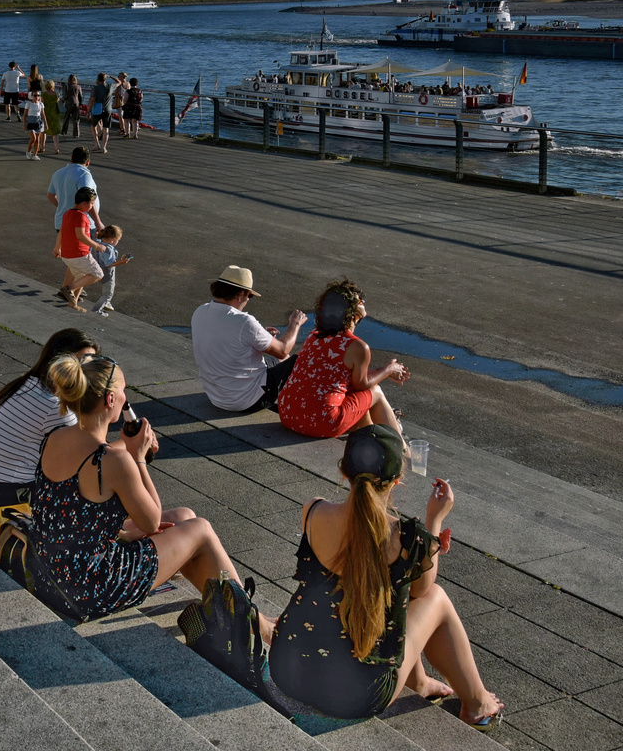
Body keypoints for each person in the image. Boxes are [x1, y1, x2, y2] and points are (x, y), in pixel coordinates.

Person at [268, 426, 502, 729]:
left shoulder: (313, 511)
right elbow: (422, 591)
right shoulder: (407, 539)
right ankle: (477, 704)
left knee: (389, 595)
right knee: (436, 599)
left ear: (344, 471)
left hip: (288, 669)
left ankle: (420, 682)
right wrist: (434, 522)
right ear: (397, 480)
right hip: (356, 695)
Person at [35, 354, 273, 626]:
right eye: (123, 391)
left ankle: (227, 609)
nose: (125, 398)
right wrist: (138, 457)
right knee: (201, 529)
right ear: (110, 400)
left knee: (184, 516)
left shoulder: (54, 437)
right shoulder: (113, 461)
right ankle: (255, 622)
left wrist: (123, 532)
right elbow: (151, 521)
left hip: (54, 573)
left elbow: (73, 510)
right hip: (91, 588)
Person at [0, 328, 99, 552]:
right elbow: (93, 458)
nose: (87, 372)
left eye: (92, 363)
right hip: (0, 504)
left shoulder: (26, 383)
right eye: (81, 362)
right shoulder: (55, 407)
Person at [278, 279, 405, 438]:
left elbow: (338, 378)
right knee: (376, 392)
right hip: (320, 423)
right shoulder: (357, 346)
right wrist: (388, 370)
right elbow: (361, 385)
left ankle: (373, 436)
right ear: (354, 313)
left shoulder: (314, 335)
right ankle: (402, 450)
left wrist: (381, 372)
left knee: (352, 398)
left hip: (288, 414)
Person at [191, 266, 307, 414]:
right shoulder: (244, 321)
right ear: (240, 294)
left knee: (278, 361)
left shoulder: (200, 311)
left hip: (216, 397)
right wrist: (294, 324)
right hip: (247, 401)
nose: (247, 300)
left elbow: (228, 337)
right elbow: (283, 350)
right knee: (300, 357)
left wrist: (261, 334)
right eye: (249, 296)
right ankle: (302, 408)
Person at [53, 187, 105, 311]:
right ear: (84, 204)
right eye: (92, 204)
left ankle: (73, 303)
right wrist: (96, 245)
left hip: (67, 255)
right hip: (79, 254)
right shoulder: (80, 216)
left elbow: (61, 232)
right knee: (97, 274)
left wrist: (57, 248)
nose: (92, 206)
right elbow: (80, 235)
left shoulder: (68, 213)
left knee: (81, 277)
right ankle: (67, 289)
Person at [46, 146, 103, 232]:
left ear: (71, 158)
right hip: (82, 224)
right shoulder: (84, 175)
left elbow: (50, 195)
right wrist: (98, 222)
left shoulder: (58, 173)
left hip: (61, 222)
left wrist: (62, 206)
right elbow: (87, 198)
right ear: (88, 162)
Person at [89, 225, 129, 316]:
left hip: (96, 268)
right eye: (118, 240)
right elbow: (109, 264)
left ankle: (106, 303)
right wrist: (121, 262)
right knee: (108, 293)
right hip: (107, 273)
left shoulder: (98, 242)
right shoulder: (109, 250)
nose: (117, 242)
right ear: (112, 239)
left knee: (106, 292)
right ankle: (96, 309)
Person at [89, 73, 112, 153]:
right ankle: (104, 147)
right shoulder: (110, 86)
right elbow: (119, 82)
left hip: (97, 109)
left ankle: (97, 144)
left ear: (98, 79)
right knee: (106, 129)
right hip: (107, 109)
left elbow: (92, 99)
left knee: (93, 126)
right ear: (105, 79)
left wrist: (89, 109)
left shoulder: (96, 88)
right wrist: (111, 76)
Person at [23, 89, 46, 159]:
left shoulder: (41, 104)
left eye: (38, 95)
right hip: (30, 122)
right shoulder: (28, 104)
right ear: (32, 96)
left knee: (37, 139)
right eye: (35, 95)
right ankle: (28, 151)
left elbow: (43, 114)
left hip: (38, 122)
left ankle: (35, 155)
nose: (37, 97)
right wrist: (24, 124)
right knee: (33, 138)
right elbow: (25, 115)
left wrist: (46, 123)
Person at [42, 79, 63, 154]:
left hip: (46, 114)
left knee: (44, 131)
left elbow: (42, 105)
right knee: (55, 133)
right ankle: (56, 148)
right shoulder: (56, 94)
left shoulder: (44, 95)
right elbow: (58, 102)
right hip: (54, 114)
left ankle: (42, 147)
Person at [62, 74, 82, 138]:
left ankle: (64, 131)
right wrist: (80, 104)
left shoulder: (67, 86)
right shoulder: (78, 87)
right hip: (76, 104)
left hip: (68, 104)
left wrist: (63, 101)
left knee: (66, 118)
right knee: (76, 120)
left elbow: (65, 96)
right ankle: (76, 133)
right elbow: (80, 97)